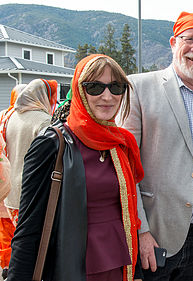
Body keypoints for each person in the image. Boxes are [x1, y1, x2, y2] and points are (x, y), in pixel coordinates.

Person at [119, 11, 193, 281]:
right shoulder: (139, 88)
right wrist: (140, 232)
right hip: (154, 237)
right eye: (190, 39)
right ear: (174, 43)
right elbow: (125, 169)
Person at [8, 54, 144, 281]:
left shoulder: (120, 143)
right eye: (95, 87)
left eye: (115, 87)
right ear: (80, 91)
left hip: (119, 264)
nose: (107, 96)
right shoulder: (52, 144)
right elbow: (29, 226)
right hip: (71, 266)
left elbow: (129, 215)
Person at [4, 79, 57, 227]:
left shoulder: (11, 117)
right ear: (45, 96)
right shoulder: (44, 121)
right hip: (32, 194)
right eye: (52, 96)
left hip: (11, 193)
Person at [0, 83, 25, 279]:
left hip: (5, 184)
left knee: (4, 232)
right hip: (13, 181)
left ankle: (7, 266)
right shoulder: (22, 118)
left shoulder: (3, 116)